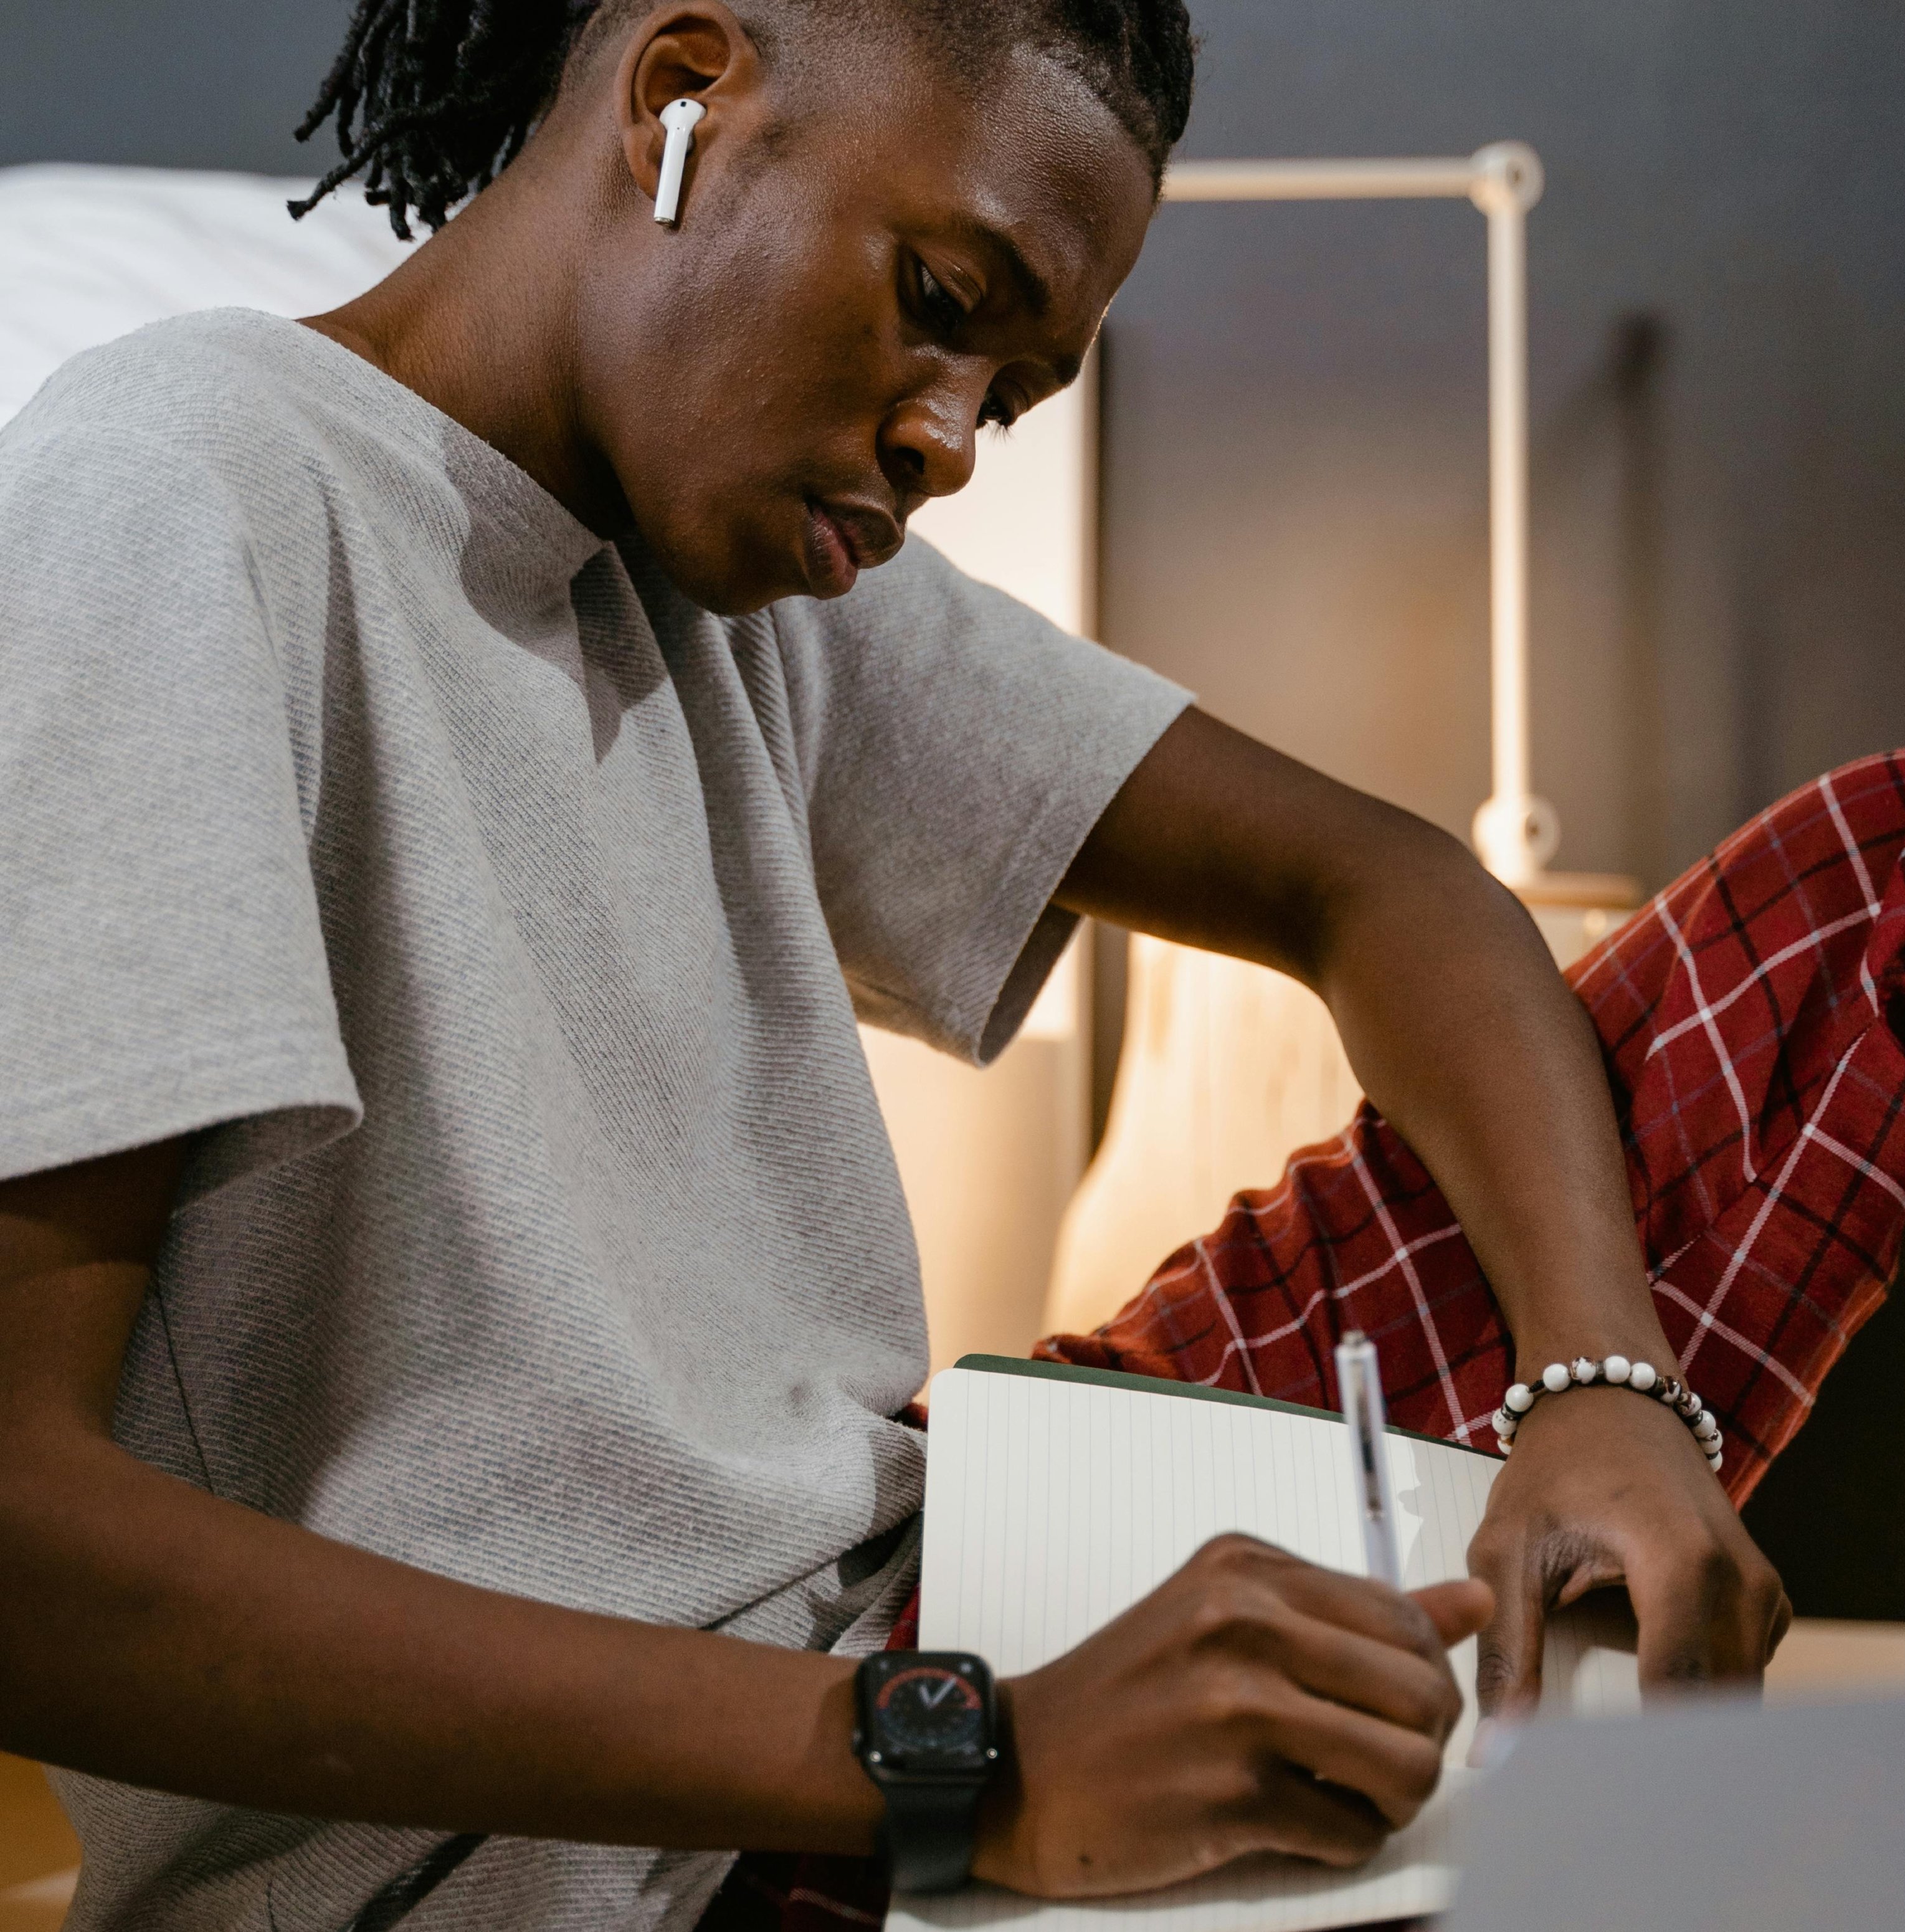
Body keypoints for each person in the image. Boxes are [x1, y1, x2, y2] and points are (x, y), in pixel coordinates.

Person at [0, 2, 1784, 1927]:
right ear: (686, 100)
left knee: (1870, 891)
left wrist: (1602, 1386)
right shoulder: (177, 491)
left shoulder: (748, 574)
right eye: (941, 296)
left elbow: (1382, 886)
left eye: (1009, 395)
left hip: (920, 1643)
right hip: (616, 1858)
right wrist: (964, 1757)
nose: (943, 439)